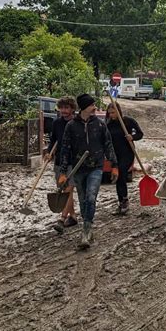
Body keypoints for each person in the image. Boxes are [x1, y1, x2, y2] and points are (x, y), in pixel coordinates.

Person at [60, 94, 118, 249]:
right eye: (92, 105)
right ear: (85, 107)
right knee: (83, 199)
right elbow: (65, 149)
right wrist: (63, 172)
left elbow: (108, 145)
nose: (94, 107)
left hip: (96, 168)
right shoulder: (71, 126)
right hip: (78, 169)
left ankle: (86, 231)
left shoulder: (100, 125)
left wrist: (114, 165)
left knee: (91, 197)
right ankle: (87, 228)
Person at [45, 96, 78, 234]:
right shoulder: (57, 123)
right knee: (63, 189)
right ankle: (73, 216)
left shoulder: (77, 123)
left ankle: (62, 218)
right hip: (59, 162)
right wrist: (49, 152)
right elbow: (53, 140)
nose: (64, 111)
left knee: (68, 189)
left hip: (73, 161)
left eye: (67, 108)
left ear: (72, 109)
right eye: (62, 108)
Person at [106, 101, 144, 215]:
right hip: (115, 154)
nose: (112, 115)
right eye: (110, 113)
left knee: (122, 172)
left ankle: (125, 201)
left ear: (118, 111)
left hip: (127, 153)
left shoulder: (128, 121)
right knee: (118, 176)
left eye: (113, 113)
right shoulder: (108, 125)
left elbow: (140, 134)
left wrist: (132, 137)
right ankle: (122, 201)